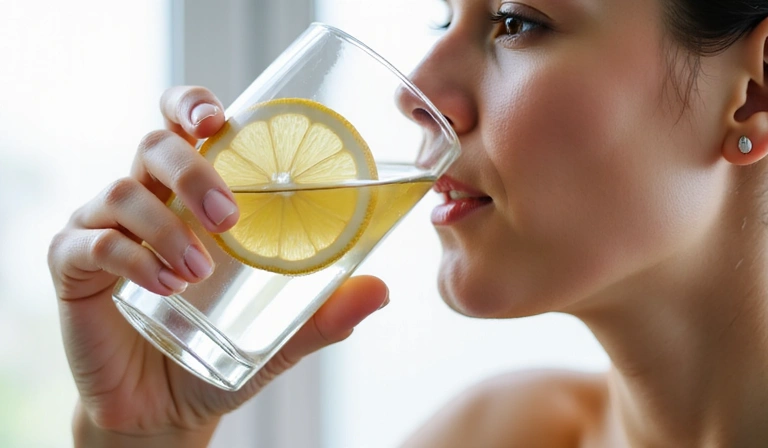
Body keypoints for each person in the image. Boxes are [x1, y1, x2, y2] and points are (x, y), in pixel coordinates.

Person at [48, 0, 768, 446]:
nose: (416, 92)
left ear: (754, 94)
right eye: (442, 17)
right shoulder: (496, 434)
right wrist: (143, 439)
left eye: (516, 22)